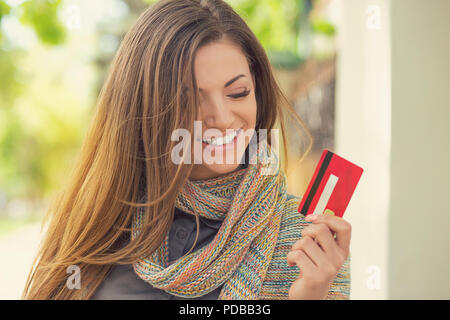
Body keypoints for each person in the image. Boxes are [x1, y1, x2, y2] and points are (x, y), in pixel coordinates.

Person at [22, 0, 351, 300]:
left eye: (237, 93)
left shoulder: (303, 243)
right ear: (143, 108)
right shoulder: (96, 225)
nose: (221, 119)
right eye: (189, 99)